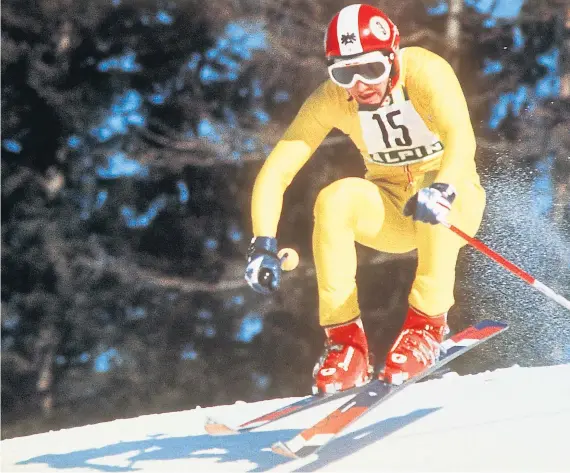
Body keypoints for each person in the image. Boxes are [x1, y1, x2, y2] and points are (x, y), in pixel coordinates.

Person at [244, 3, 486, 393]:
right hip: (391, 208)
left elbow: (462, 136)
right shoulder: (332, 100)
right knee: (335, 199)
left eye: (371, 68)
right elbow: (278, 170)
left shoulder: (423, 71)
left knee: (431, 189)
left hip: (452, 200)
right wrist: (262, 242)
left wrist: (442, 188)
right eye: (344, 73)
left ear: (392, 55)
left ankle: (427, 326)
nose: (360, 84)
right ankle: (346, 346)